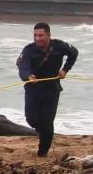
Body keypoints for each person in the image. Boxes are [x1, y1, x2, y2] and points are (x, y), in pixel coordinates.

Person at [16, 22, 79, 157]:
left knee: (47, 122)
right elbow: (22, 67)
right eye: (35, 35)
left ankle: (42, 152)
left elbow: (74, 52)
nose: (38, 38)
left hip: (52, 88)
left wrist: (65, 70)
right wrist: (28, 76)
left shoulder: (59, 46)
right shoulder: (28, 49)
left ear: (49, 35)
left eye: (41, 35)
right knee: (31, 119)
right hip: (33, 89)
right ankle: (41, 131)